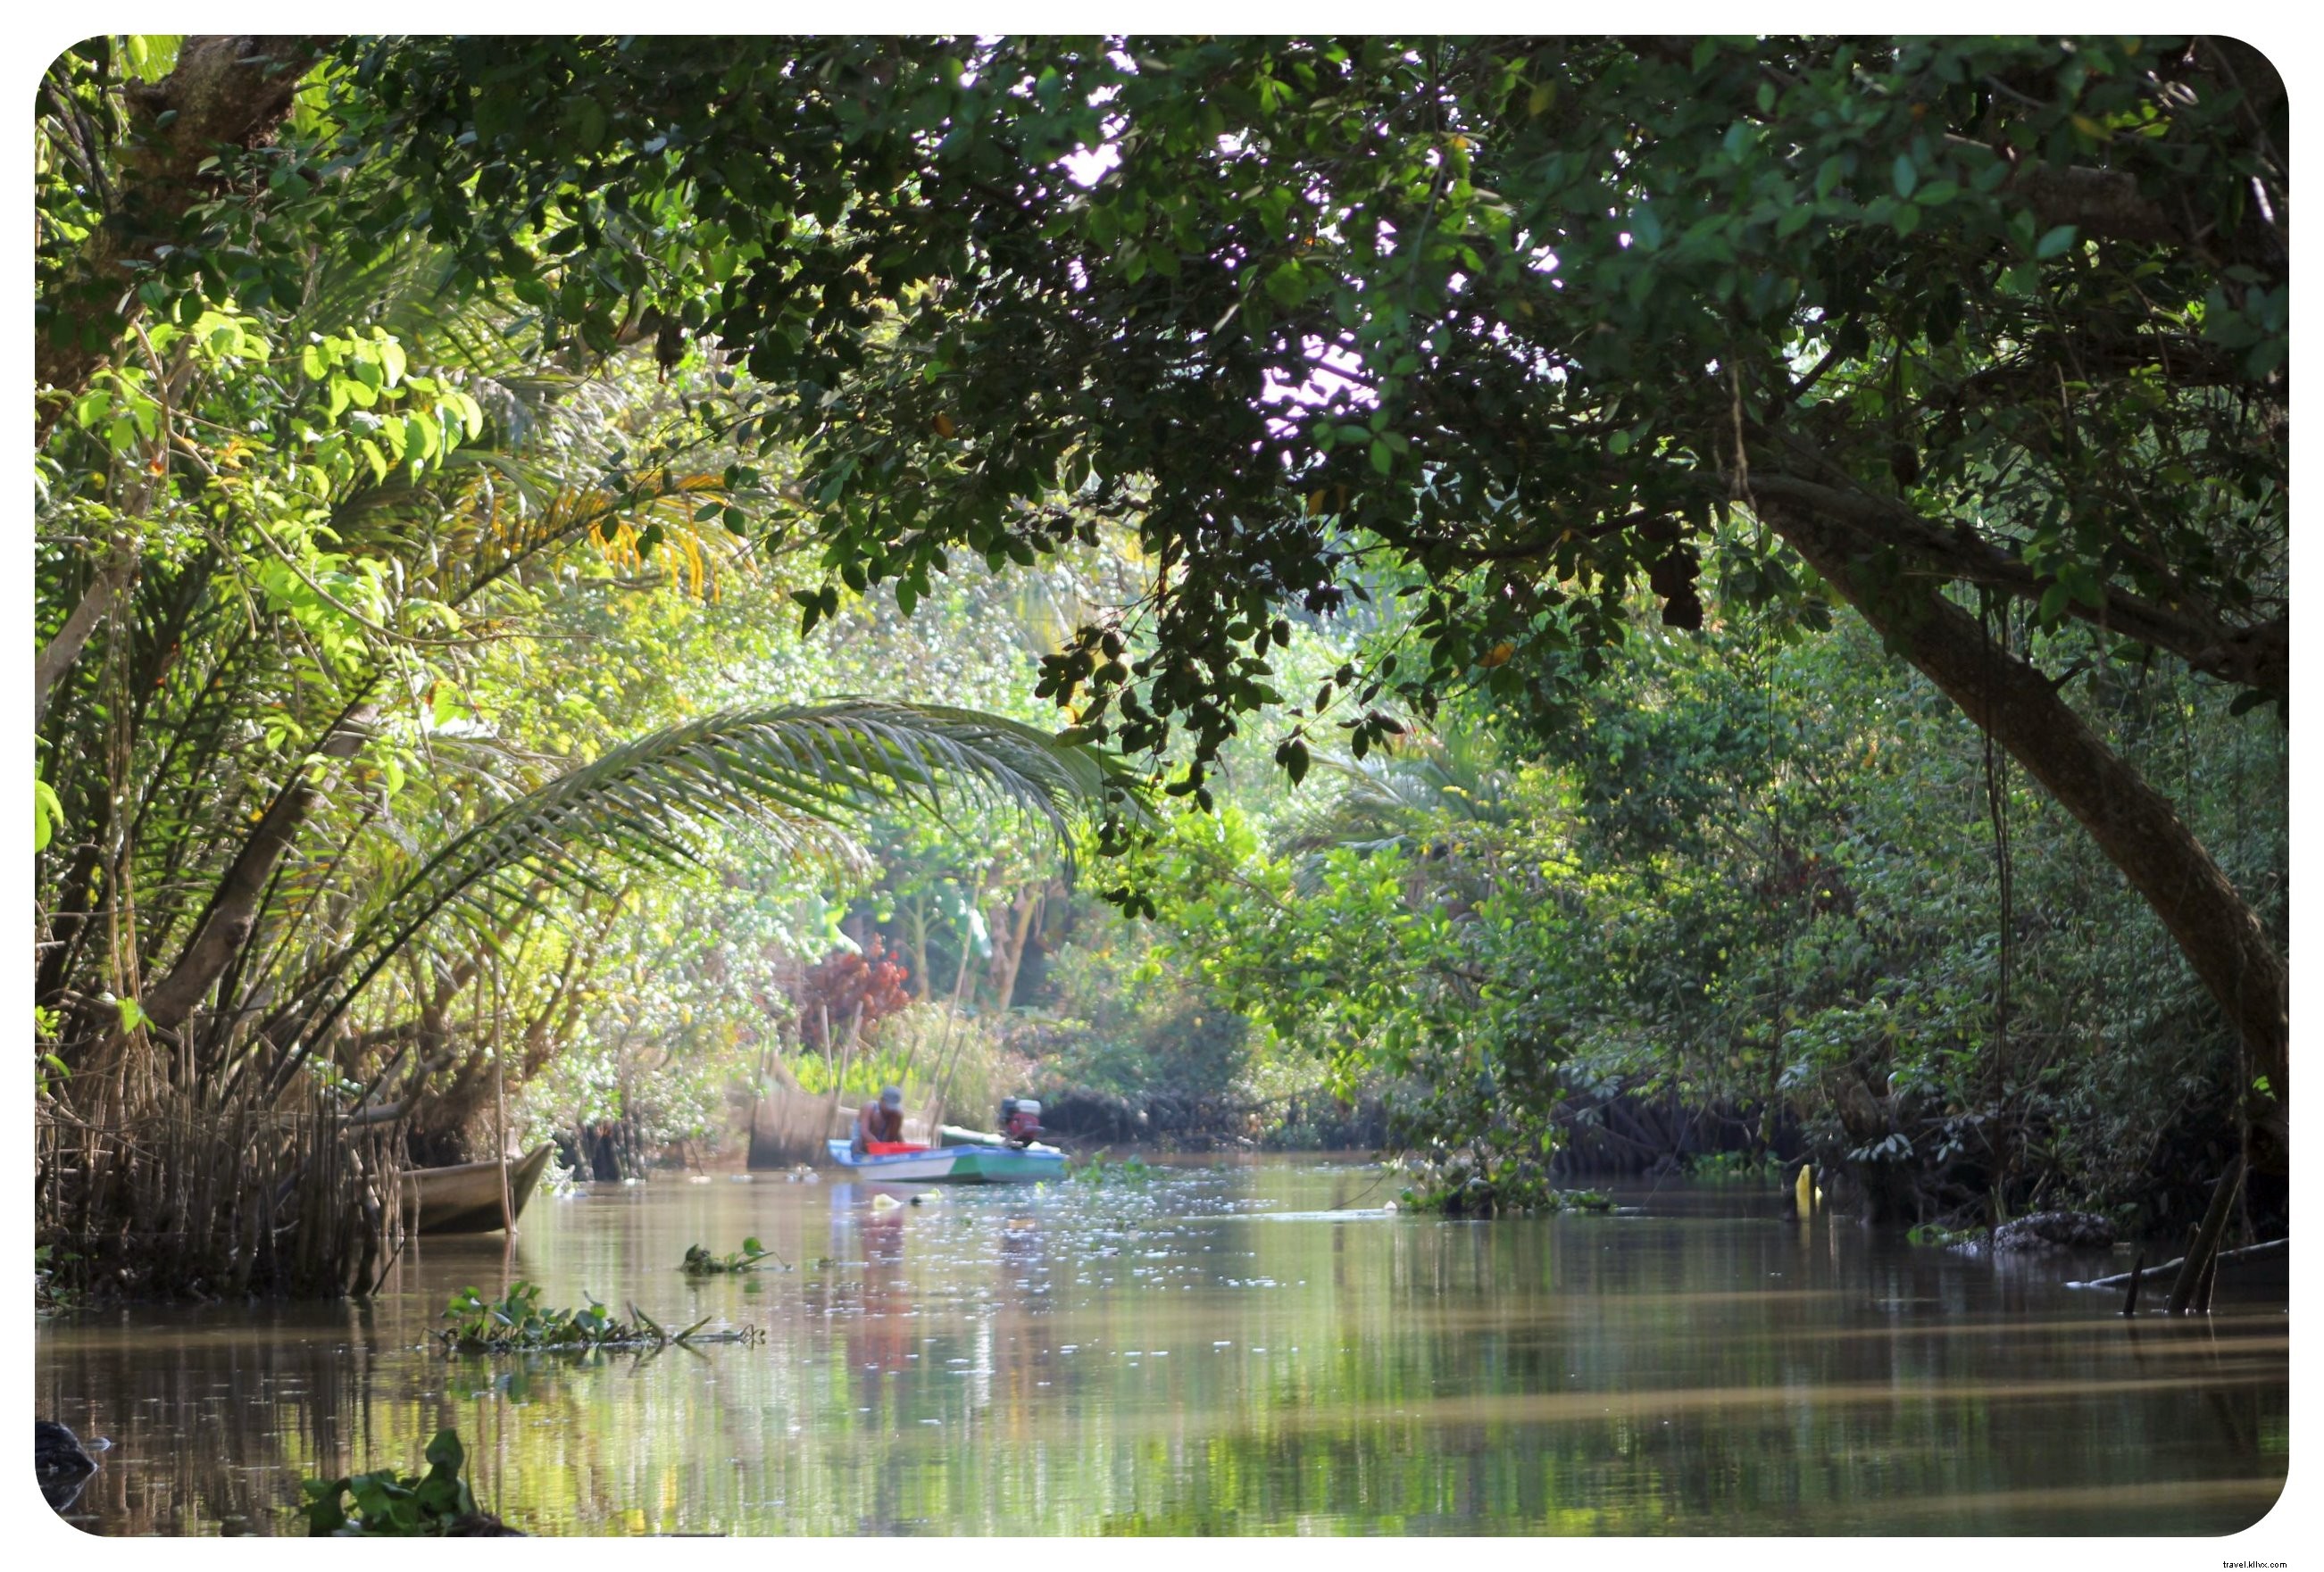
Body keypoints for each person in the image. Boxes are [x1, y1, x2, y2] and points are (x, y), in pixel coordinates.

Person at [853, 1085, 905, 1156]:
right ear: (881, 1100)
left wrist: (904, 1149)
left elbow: (898, 1135)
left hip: (883, 1145)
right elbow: (864, 1132)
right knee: (876, 1117)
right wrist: (880, 1148)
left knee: (898, 1116)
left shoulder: (896, 1113)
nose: (890, 1110)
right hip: (862, 1145)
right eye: (889, 1106)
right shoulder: (869, 1107)